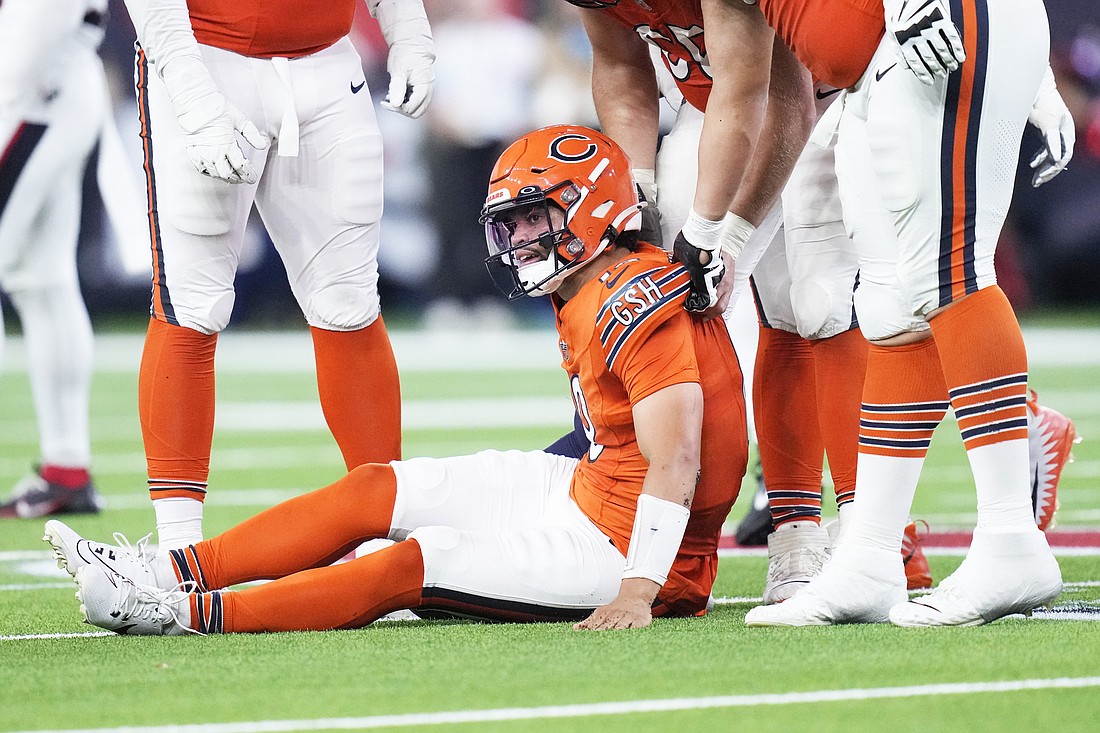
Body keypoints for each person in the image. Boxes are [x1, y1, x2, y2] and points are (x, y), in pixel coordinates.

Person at [45, 124, 748, 635]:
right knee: (380, 486)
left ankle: (180, 613)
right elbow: (613, 435)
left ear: (594, 209)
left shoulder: (633, 299)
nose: (524, 239)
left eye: (538, 217)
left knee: (412, 563)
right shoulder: (591, 282)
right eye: (517, 222)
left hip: (635, 549)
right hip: (596, 492)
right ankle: (170, 568)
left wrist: (638, 588)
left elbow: (680, 455)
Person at [565, 0, 920, 604]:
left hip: (844, 90)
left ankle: (882, 540)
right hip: (735, 103)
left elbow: (782, 96)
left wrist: (719, 236)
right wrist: (638, 193)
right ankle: (797, 536)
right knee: (774, 311)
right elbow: (623, 70)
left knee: (825, 301)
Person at [739, 0, 1071, 627]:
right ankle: (869, 554)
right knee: (891, 302)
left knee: (953, 271)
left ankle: (1012, 538)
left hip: (938, 23)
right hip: (881, 59)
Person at [116, 0, 434, 550]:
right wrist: (196, 103)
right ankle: (176, 549)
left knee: (348, 301)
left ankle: (380, 535)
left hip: (329, 65)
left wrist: (409, 31)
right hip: (205, 58)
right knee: (194, 304)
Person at [0, 0, 111, 518]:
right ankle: (67, 469)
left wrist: (14, 81)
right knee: (40, 279)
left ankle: (68, 469)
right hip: (51, 73)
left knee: (42, 279)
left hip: (34, 79)